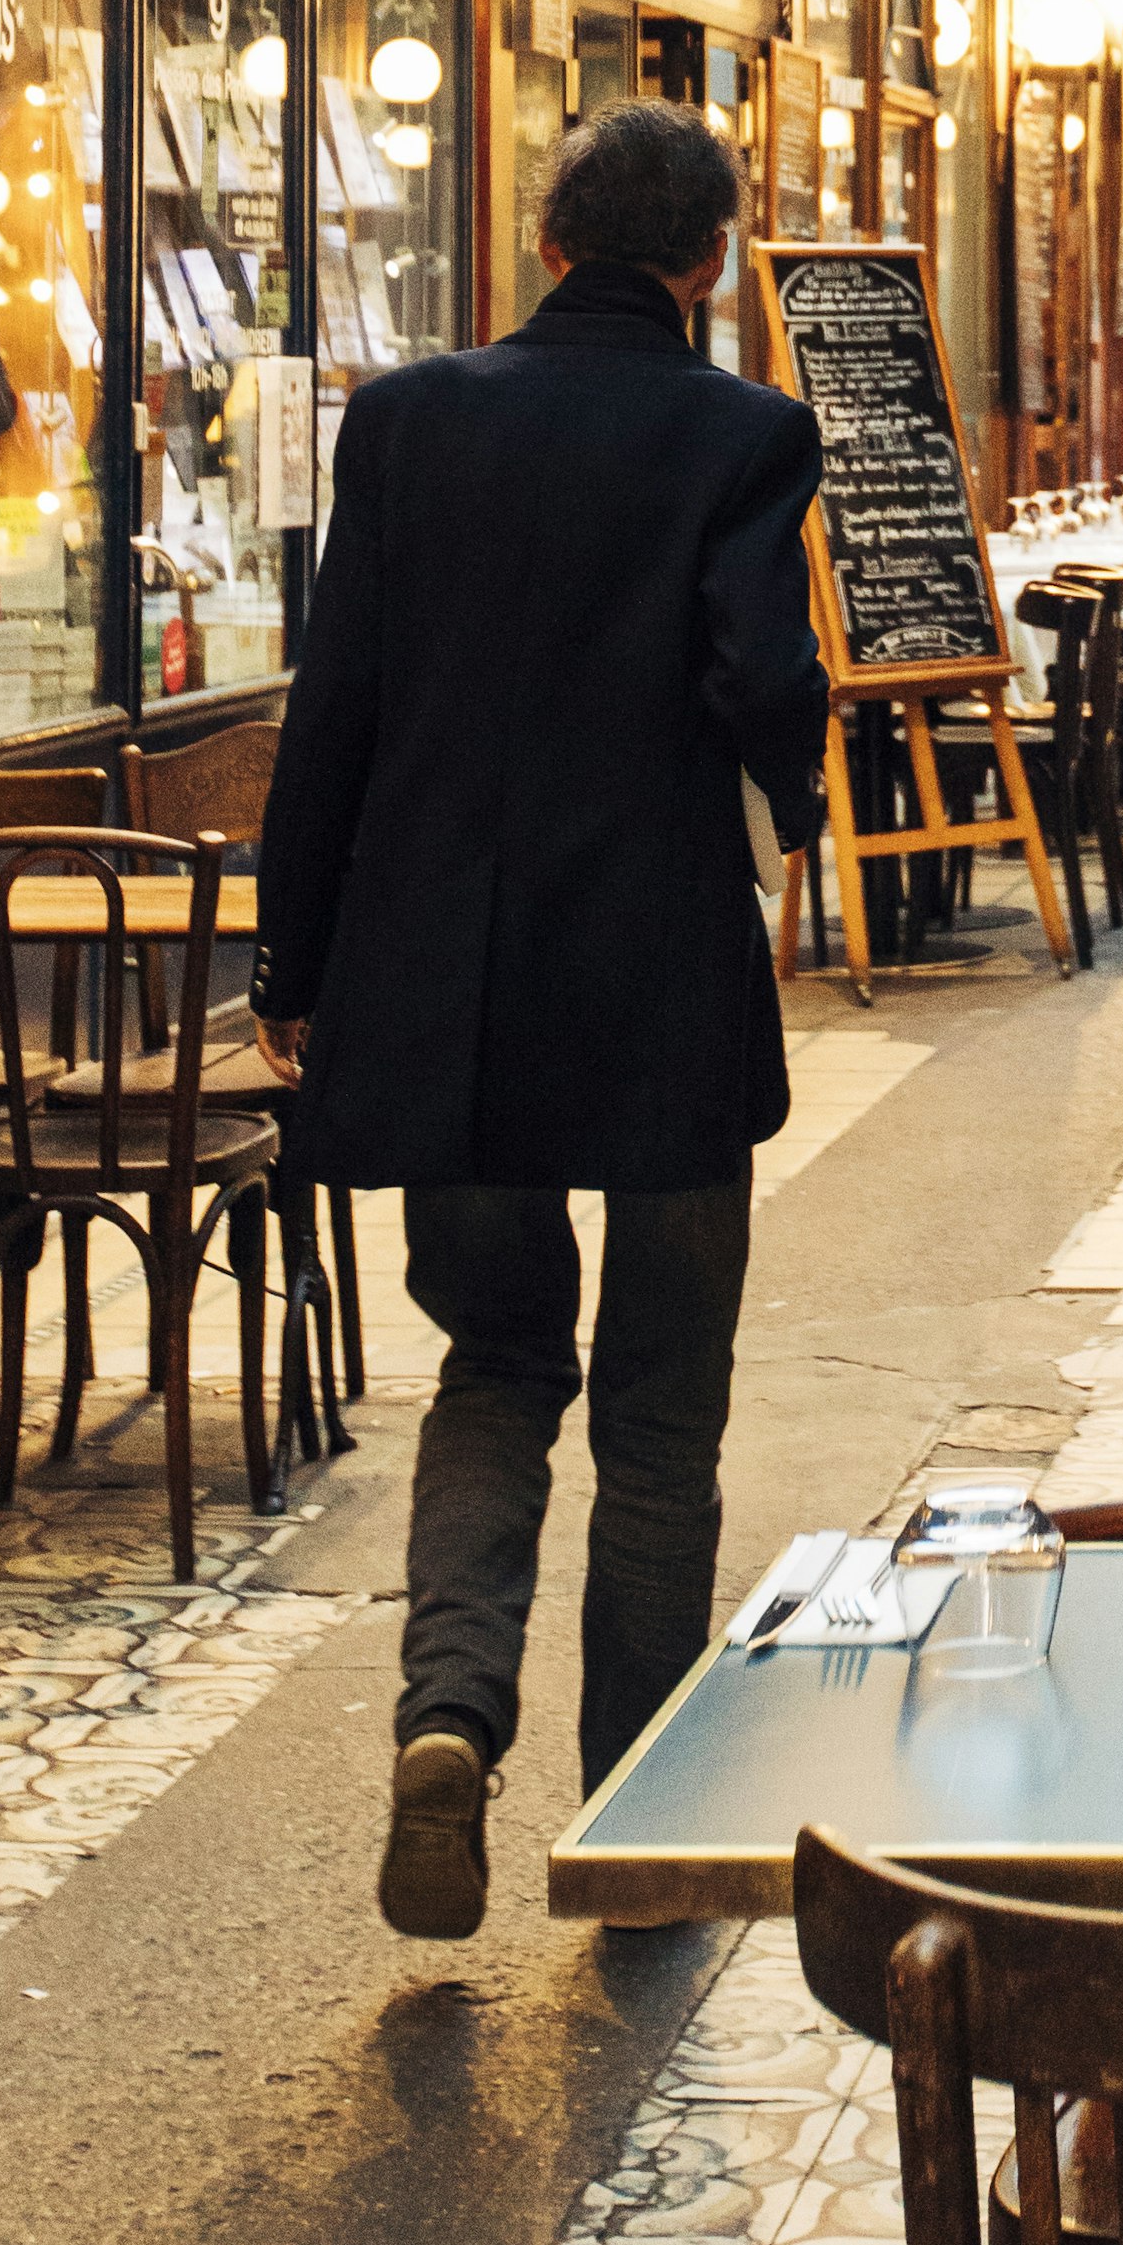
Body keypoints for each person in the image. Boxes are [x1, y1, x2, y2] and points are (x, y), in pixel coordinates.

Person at [251, 100, 832, 1943]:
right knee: (663, 1412)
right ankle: (640, 1821)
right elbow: (768, 684)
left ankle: (448, 1717)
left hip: (455, 995)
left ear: (546, 236)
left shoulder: (412, 419)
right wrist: (789, 817)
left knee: (495, 1366)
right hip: (662, 988)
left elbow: (330, 704)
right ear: (711, 259)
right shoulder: (746, 435)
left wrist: (297, 967)